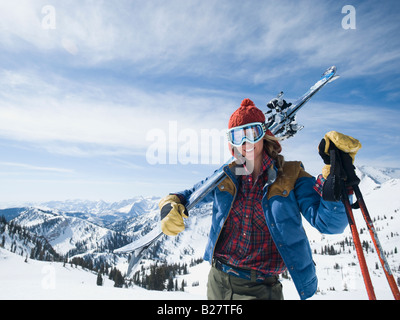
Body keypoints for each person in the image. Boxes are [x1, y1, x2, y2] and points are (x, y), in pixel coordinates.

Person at [158, 98, 354, 300]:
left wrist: (335, 182)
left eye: (251, 133)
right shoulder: (226, 176)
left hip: (259, 289)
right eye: (237, 136)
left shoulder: (292, 175)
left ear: (264, 134)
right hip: (217, 283)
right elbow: (190, 195)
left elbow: (329, 224)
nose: (245, 143)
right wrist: (169, 204)